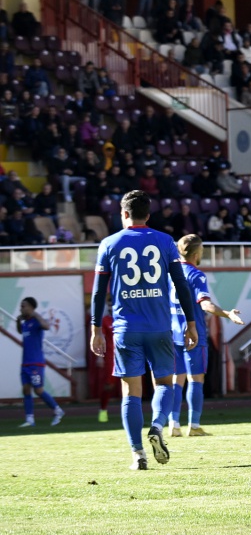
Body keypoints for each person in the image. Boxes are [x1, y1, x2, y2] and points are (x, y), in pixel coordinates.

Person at [90, 190, 200, 469]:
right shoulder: (165, 241)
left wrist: (95, 329)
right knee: (164, 383)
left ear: (123, 213)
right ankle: (158, 427)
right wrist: (190, 323)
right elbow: (181, 285)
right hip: (160, 326)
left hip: (126, 328)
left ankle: (138, 455)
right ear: (148, 215)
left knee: (131, 392)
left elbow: (97, 291)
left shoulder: (108, 244)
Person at [17, 297, 65, 428]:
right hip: (25, 363)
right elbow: (20, 331)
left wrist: (34, 314)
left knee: (38, 390)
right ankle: (30, 419)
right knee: (26, 390)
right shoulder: (26, 323)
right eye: (21, 306)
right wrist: (18, 321)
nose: (21, 308)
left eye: (23, 306)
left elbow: (47, 326)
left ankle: (57, 410)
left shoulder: (36, 321)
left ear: (31, 308)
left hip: (36, 363)